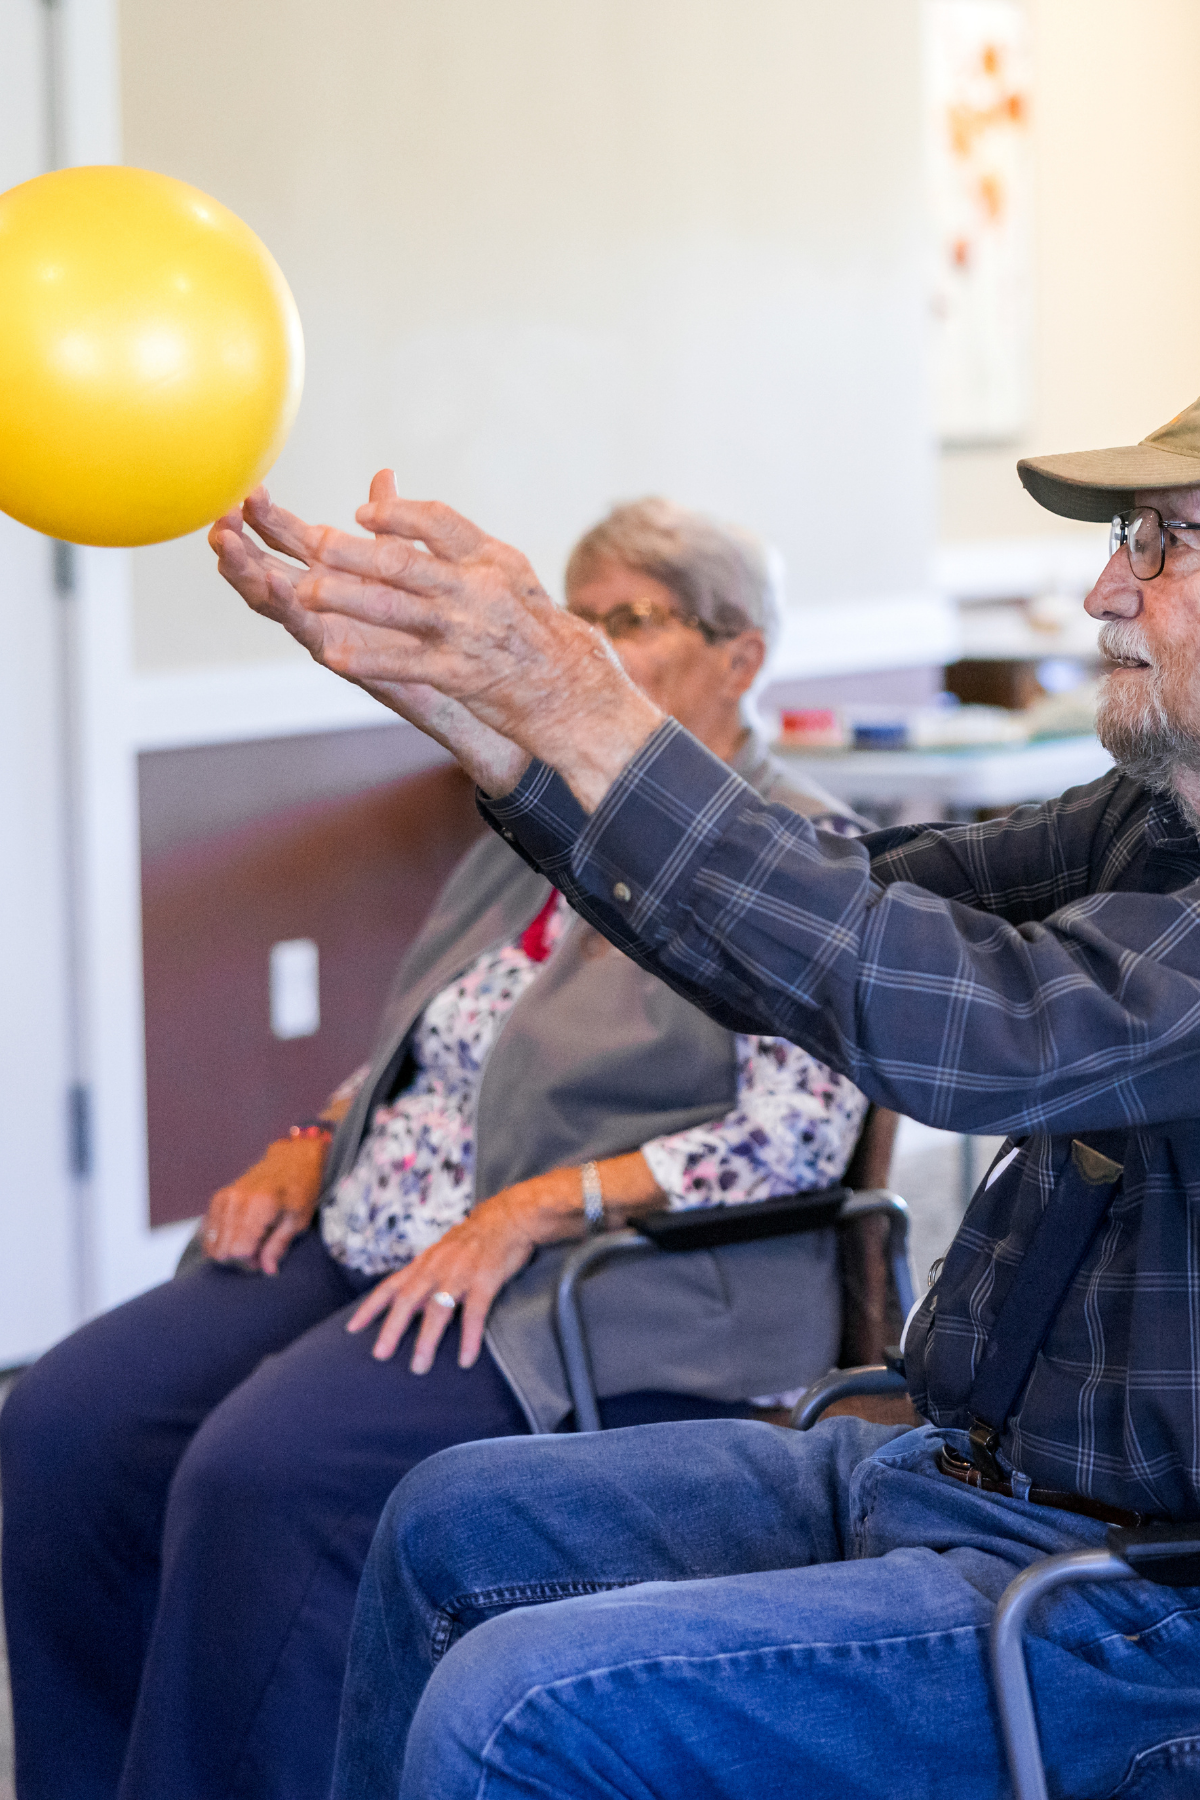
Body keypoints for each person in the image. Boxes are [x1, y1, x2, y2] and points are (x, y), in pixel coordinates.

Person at [192, 397, 1200, 1799]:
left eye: (1158, 540)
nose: (1105, 586)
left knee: (517, 1706)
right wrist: (503, 734)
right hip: (961, 1481)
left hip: (1144, 1611)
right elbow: (850, 902)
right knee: (444, 1525)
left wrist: (584, 702)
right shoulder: (1151, 819)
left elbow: (969, 1028)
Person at [0, 500, 871, 1800]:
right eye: (571, 611)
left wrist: (534, 1209)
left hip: (585, 1282)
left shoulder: (793, 848)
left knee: (263, 1477)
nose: (581, 644)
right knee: (67, 1424)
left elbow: (798, 1133)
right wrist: (312, 1134)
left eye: (623, 617)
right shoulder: (538, 822)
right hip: (384, 1218)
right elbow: (456, 1041)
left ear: (739, 656)